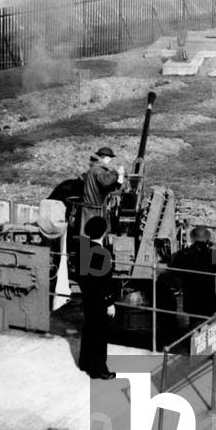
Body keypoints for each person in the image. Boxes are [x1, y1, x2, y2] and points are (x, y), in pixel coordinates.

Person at [77, 215, 117, 379]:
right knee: (99, 335)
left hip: (87, 297)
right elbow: (103, 282)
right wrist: (109, 303)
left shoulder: (83, 249)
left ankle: (84, 363)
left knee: (88, 329)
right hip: (99, 300)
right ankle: (98, 369)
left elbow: (83, 278)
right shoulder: (101, 253)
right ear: (104, 233)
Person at [170, 225, 216, 322]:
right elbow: (215, 267)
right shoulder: (213, 253)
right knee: (206, 321)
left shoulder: (184, 253)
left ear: (193, 238)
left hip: (191, 294)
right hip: (207, 295)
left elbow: (174, 268)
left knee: (193, 320)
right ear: (206, 238)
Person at [79, 147, 124, 230]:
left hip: (89, 208)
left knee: (87, 232)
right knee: (94, 232)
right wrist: (116, 173)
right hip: (94, 209)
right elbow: (106, 181)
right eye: (110, 159)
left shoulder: (93, 169)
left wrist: (118, 182)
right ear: (106, 158)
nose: (110, 161)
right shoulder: (98, 170)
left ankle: (86, 239)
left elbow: (106, 187)